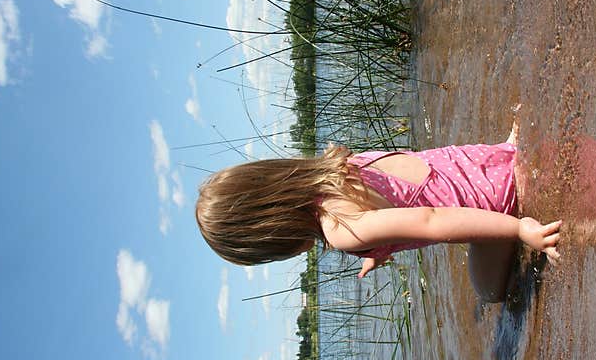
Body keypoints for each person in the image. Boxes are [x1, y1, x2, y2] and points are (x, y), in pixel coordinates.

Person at [195, 111, 561, 303]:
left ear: (274, 238)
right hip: (483, 161)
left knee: (490, 294)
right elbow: (406, 192)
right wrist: (377, 249)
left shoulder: (341, 231)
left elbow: (430, 219)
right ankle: (508, 149)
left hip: (497, 202)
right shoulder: (336, 166)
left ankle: (510, 227)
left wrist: (517, 229)